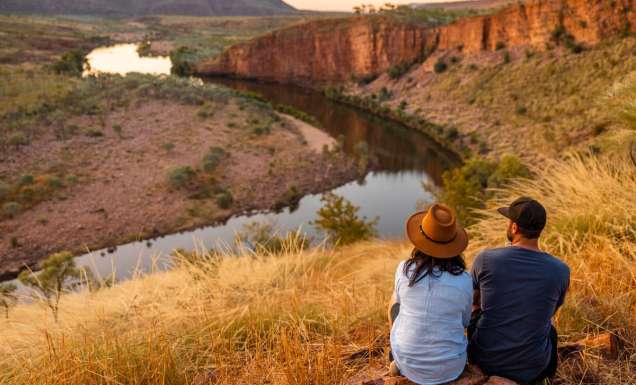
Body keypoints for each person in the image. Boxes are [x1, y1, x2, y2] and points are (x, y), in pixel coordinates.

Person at [469, 197, 570, 384]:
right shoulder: (561, 270)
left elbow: (472, 302)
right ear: (539, 230)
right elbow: (551, 311)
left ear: (514, 228)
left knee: (476, 311)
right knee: (550, 330)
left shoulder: (485, 259)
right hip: (534, 369)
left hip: (485, 361)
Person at [388, 204, 473, 385]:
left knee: (394, 303)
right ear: (453, 244)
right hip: (451, 367)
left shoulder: (404, 269)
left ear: (420, 239)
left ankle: (397, 358)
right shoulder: (464, 279)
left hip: (407, 362)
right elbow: (465, 322)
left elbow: (400, 306)